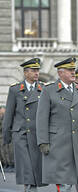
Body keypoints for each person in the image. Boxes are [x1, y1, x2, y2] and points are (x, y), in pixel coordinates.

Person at [36, 57, 78, 192]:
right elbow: (42, 118)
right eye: (70, 70)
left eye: (73, 70)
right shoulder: (49, 90)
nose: (73, 73)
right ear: (60, 73)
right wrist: (43, 141)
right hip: (59, 143)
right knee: (64, 182)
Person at [2, 58, 45, 191]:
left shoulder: (43, 88)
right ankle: (31, 188)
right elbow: (9, 113)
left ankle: (31, 187)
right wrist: (6, 136)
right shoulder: (15, 89)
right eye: (33, 71)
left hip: (37, 134)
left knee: (36, 165)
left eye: (37, 70)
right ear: (26, 73)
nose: (37, 73)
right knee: (26, 165)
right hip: (21, 133)